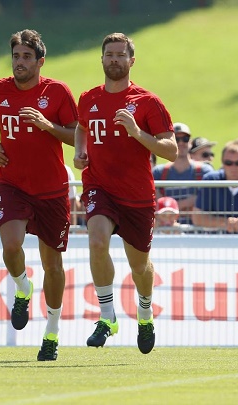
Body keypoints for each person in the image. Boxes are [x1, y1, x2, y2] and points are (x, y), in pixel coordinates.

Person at [0, 29, 78, 361]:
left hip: (52, 190)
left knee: (53, 264)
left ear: (40, 61)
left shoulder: (57, 92)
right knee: (11, 243)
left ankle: (52, 332)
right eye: (16, 56)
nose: (20, 62)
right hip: (12, 183)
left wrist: (47, 125)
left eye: (27, 57)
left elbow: (77, 136)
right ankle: (22, 288)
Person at [74, 32, 177, 354]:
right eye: (109, 54)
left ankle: (145, 315)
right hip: (99, 187)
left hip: (136, 195)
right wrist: (80, 151)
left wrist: (136, 131)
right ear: (102, 59)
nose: (114, 59)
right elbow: (81, 127)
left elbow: (171, 151)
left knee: (140, 267)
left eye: (120, 54)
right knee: (96, 240)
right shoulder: (88, 98)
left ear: (132, 61)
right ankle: (107, 317)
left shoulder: (147, 102)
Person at [152, 122, 212, 225]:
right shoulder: (159, 172)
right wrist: (190, 202)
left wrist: (170, 207)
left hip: (197, 231)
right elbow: (156, 204)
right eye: (176, 139)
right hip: (167, 231)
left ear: (190, 142)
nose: (181, 143)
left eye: (185, 139)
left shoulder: (205, 171)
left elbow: (209, 201)